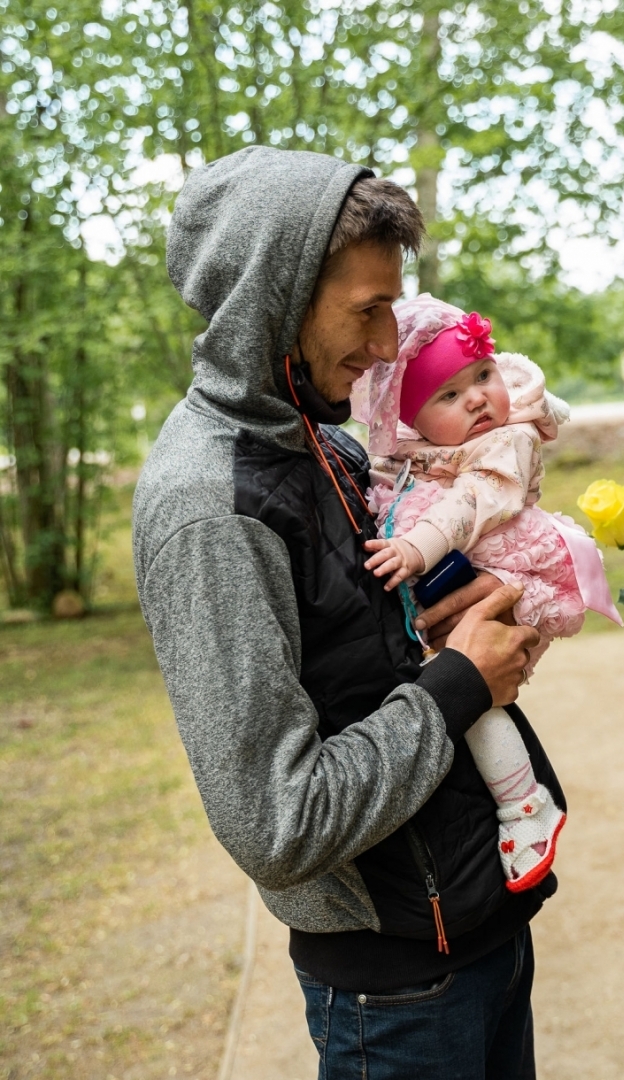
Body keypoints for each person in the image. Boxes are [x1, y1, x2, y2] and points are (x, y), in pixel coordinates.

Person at [132, 145, 554, 1077]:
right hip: (394, 996)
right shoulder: (209, 505)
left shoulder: (327, 441)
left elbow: (393, 649)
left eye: (392, 312)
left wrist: (478, 607)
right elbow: (275, 824)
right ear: (267, 299)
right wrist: (457, 688)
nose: (382, 348)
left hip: (485, 927)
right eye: (366, 312)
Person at [352, 293, 622, 890]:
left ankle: (525, 805)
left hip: (521, 568)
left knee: (471, 693)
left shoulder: (507, 442)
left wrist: (414, 547)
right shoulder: (423, 450)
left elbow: (474, 500)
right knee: (470, 693)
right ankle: (519, 801)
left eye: (482, 376)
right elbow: (397, 480)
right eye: (448, 395)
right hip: (473, 573)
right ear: (413, 422)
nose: (476, 397)